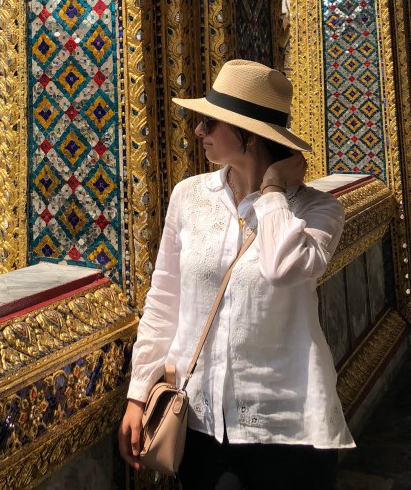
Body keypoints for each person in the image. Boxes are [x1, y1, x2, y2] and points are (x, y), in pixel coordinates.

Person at [118, 59, 354, 489]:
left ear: (250, 133)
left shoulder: (319, 210)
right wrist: (138, 393)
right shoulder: (189, 196)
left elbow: (283, 268)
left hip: (288, 425)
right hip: (199, 420)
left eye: (210, 122)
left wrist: (272, 189)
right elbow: (164, 299)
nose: (198, 131)